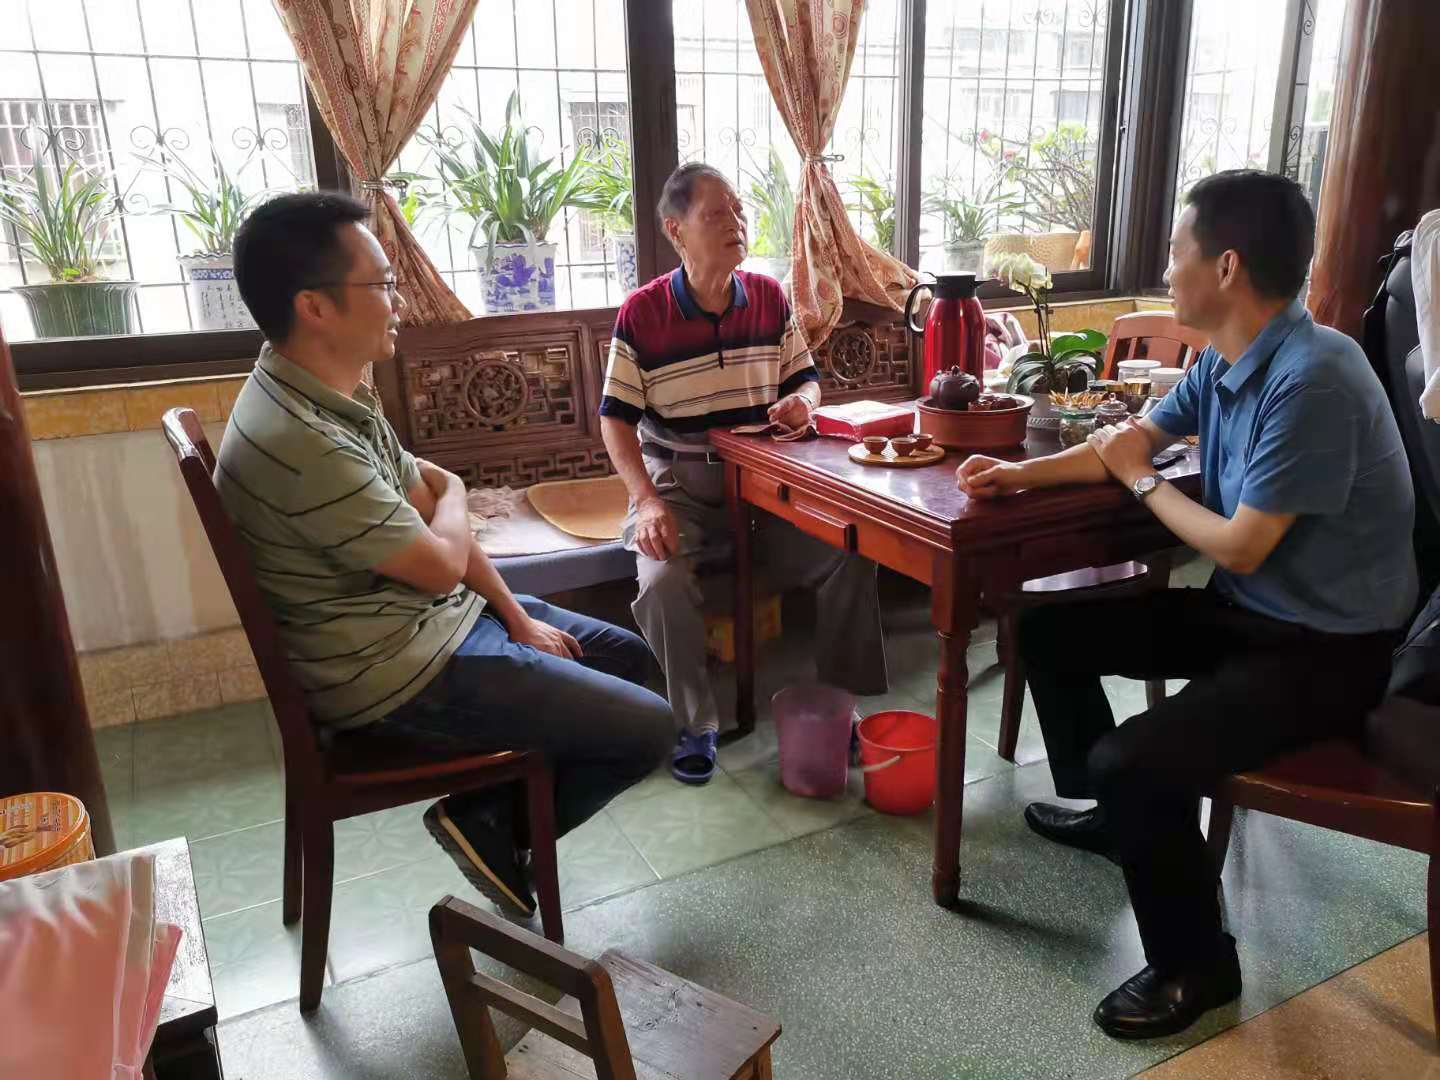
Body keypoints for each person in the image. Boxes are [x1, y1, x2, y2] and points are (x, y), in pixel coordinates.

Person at [956, 170, 1417, 1039]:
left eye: (1176, 251)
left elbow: (1239, 543)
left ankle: (1196, 965)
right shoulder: (1225, 357)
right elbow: (1131, 440)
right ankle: (1117, 822)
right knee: (1046, 631)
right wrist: (1019, 477)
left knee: (1136, 759)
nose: (1167, 269)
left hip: (1332, 648)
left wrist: (1140, 481)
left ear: (1227, 266)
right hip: (1251, 613)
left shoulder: (1315, 375)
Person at [217, 192, 671, 919]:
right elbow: (437, 558)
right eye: (381, 284)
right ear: (316, 306)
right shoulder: (297, 439)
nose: (398, 301)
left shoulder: (326, 391)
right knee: (650, 728)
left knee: (628, 660)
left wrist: (516, 617)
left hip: (434, 624)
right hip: (394, 675)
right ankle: (492, 820)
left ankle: (490, 816)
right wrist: (457, 491)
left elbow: (437, 535)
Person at [599, 163, 888, 784]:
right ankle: (693, 721)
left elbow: (805, 379)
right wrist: (646, 501)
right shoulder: (643, 313)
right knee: (660, 580)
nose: (735, 223)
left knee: (850, 551)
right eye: (716, 214)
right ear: (676, 230)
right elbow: (615, 422)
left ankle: (839, 706)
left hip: (765, 486)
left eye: (738, 211)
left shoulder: (768, 297)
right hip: (679, 487)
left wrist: (802, 403)